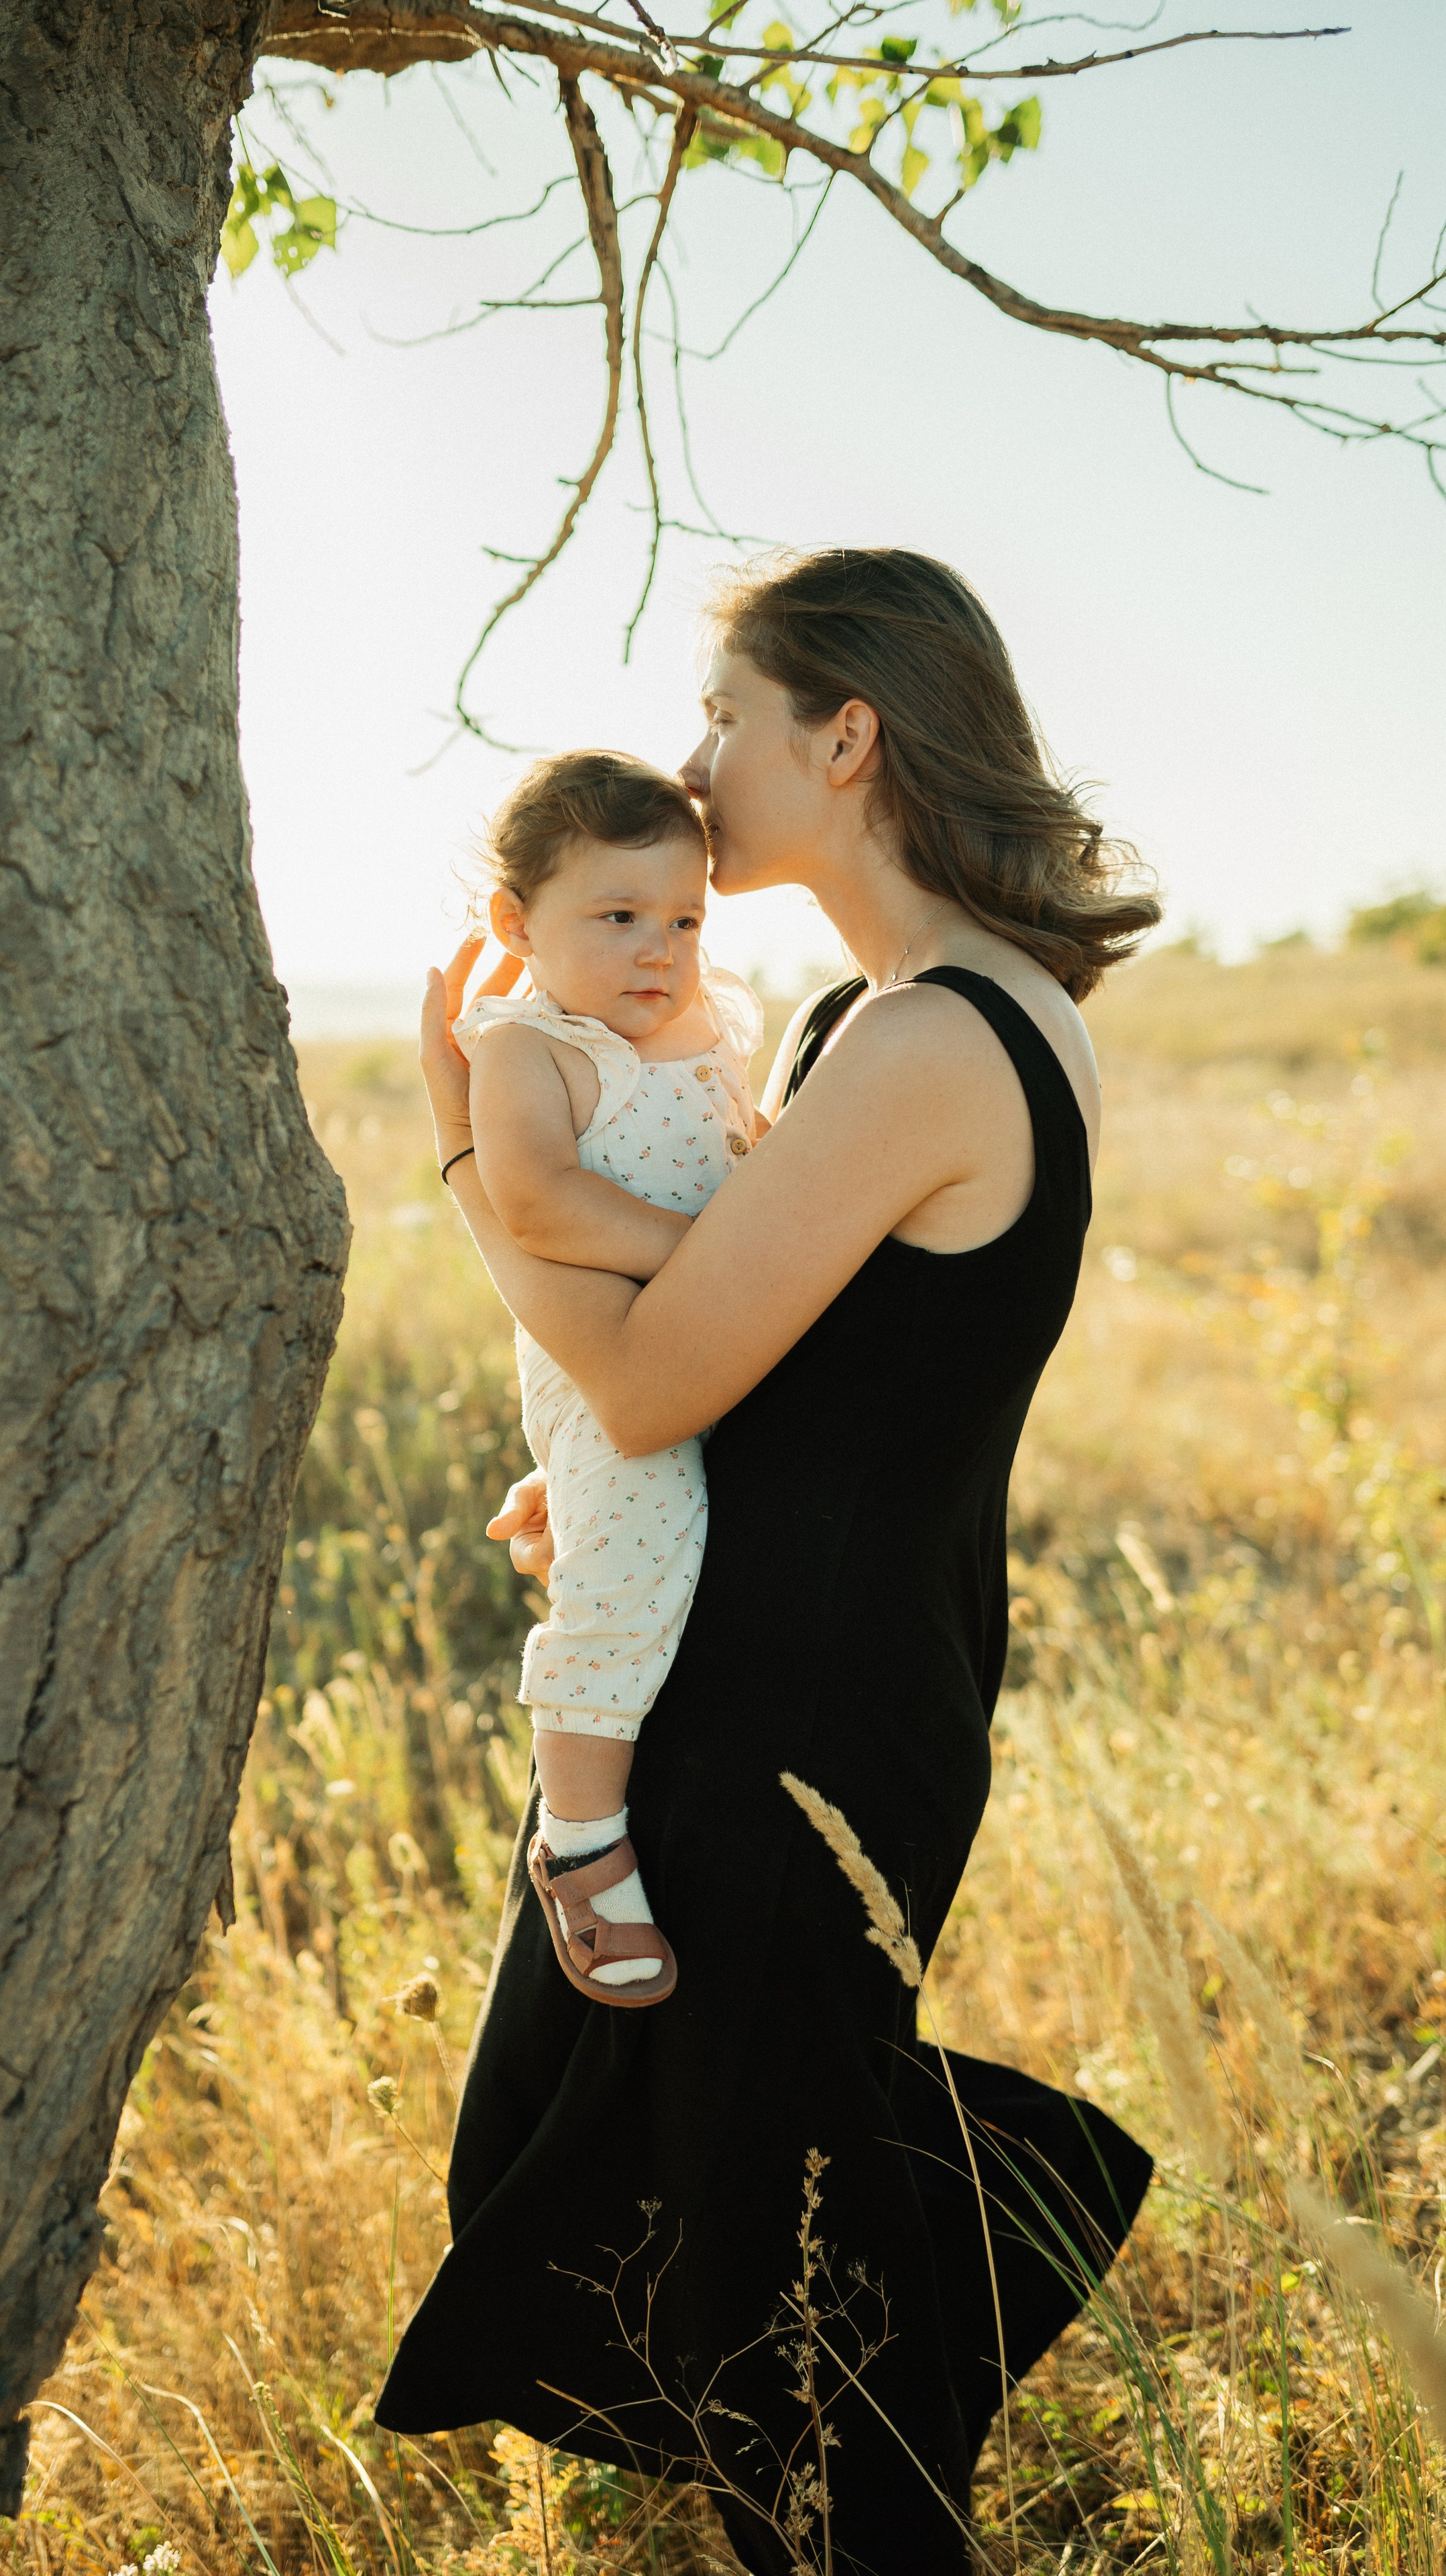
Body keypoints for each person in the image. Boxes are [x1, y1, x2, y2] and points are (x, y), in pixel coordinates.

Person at [377, 547, 1162, 2575]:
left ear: (849, 733)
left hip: (795, 1723)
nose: (699, 762)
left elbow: (640, 1376)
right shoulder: (887, 1018)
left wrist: (466, 1146)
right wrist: (636, 1485)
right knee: (713, 2191)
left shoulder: (925, 1045)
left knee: (782, 2302)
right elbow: (806, 1371)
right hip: (822, 1671)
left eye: (727, 716)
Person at [454, 749, 765, 2002]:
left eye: (684, 918)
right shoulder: (530, 1046)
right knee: (632, 1556)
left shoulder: (715, 1017)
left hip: (733, 1333)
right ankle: (580, 1834)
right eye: (619, 918)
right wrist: (717, 1261)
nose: (660, 950)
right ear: (516, 926)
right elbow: (539, 1201)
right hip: (612, 1369)